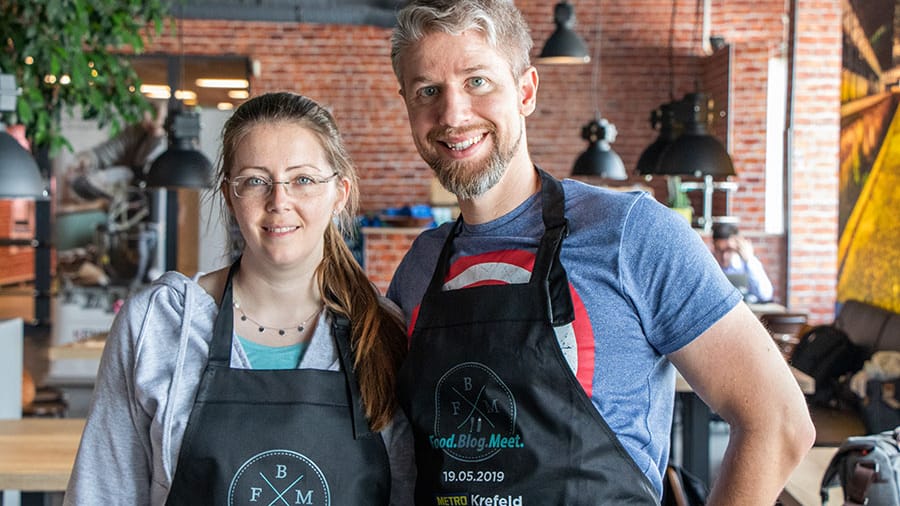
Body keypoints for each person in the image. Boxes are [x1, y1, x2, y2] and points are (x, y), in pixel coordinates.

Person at [386, 1, 815, 504]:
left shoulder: (632, 234)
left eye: (477, 81)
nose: (453, 114)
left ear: (525, 91)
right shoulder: (420, 267)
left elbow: (778, 423)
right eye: (428, 91)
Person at [64, 92, 414, 505]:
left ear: (339, 193)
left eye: (302, 179)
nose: (279, 201)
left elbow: (407, 492)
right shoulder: (160, 324)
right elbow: (101, 494)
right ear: (230, 197)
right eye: (255, 181)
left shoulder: (382, 331)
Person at [711, 222, 775, 303]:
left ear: (738, 245)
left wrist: (749, 259)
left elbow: (765, 295)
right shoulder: (710, 266)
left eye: (729, 250)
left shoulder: (746, 264)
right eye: (719, 250)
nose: (724, 256)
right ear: (713, 246)